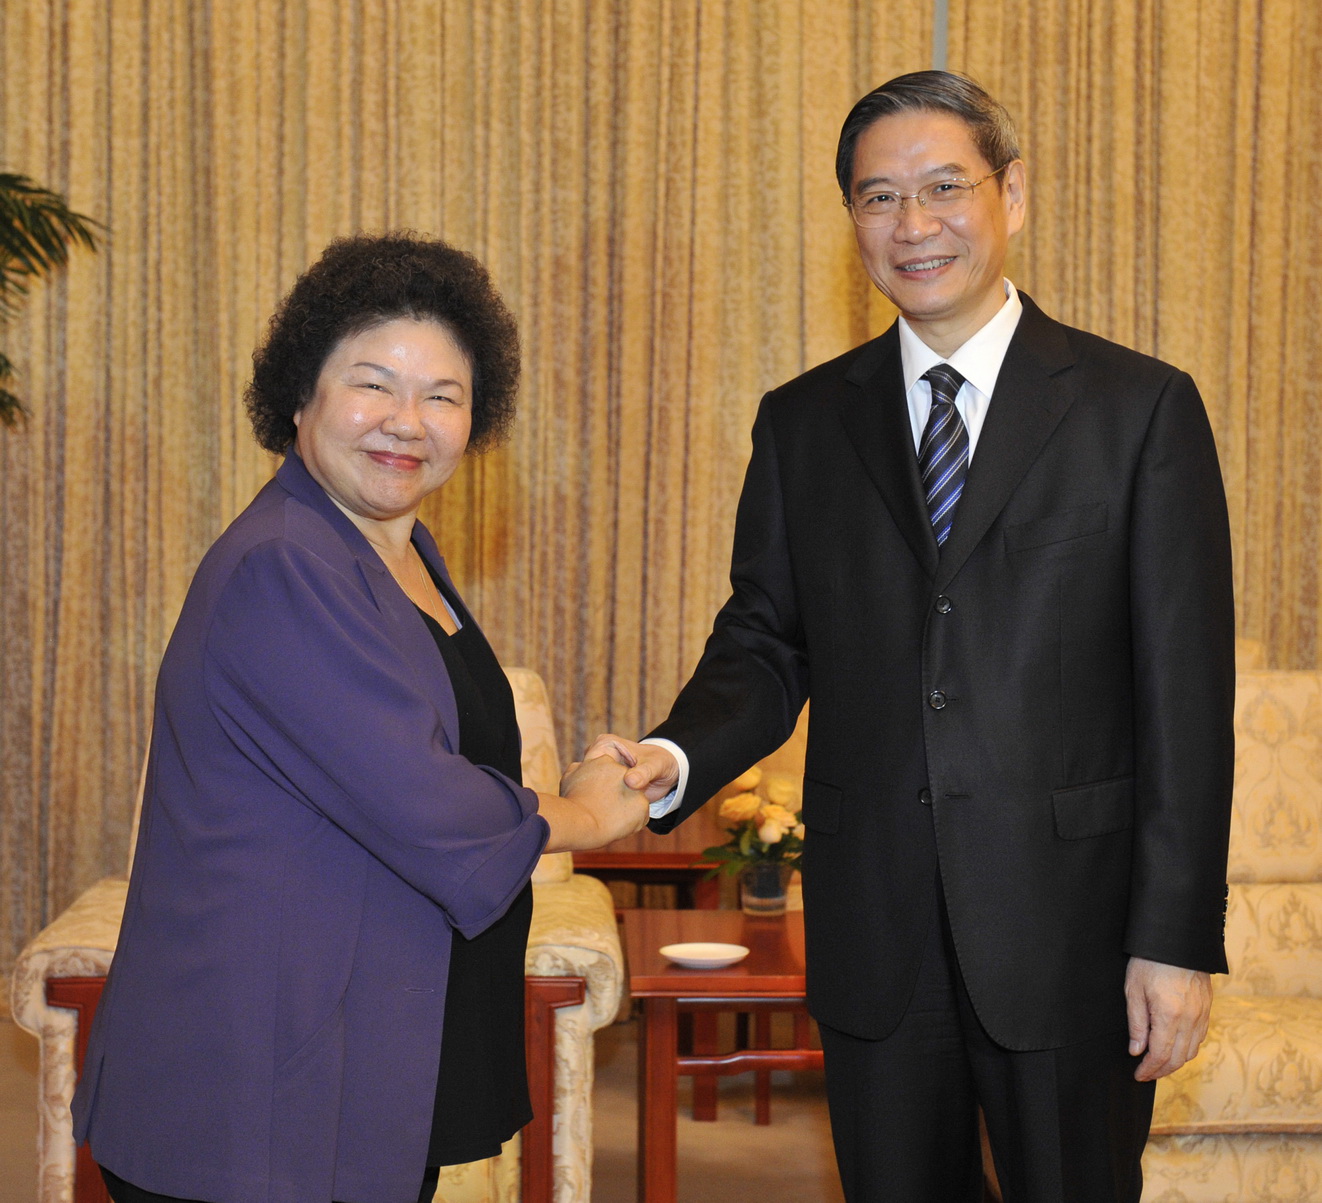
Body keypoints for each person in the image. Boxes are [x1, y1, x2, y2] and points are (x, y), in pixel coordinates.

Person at [590, 71, 1235, 1203]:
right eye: (878, 197)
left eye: (943, 187)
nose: (912, 224)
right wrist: (673, 754)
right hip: (875, 931)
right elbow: (765, 640)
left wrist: (1174, 940)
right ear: (852, 219)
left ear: (1010, 194)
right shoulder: (803, 421)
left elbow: (1184, 698)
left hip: (1069, 933)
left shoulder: (1137, 411)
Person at [72, 233, 649, 1203]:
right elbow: (422, 798)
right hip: (256, 1080)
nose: (406, 422)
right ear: (300, 395)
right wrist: (586, 813)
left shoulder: (400, 550)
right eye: (372, 384)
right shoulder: (283, 563)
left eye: (443, 396)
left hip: (354, 1043)